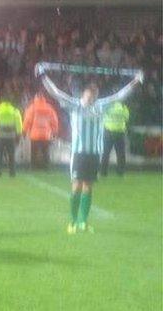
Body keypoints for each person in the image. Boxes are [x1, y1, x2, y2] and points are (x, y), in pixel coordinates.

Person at [41, 74, 142, 234]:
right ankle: (72, 221)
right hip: (79, 153)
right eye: (89, 96)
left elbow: (120, 96)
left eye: (94, 96)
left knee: (88, 186)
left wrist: (136, 81)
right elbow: (56, 92)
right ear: (83, 95)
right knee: (76, 186)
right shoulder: (75, 105)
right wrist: (43, 76)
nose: (91, 99)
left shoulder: (101, 106)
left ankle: (83, 222)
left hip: (94, 153)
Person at [23, 93, 59, 170]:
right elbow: (54, 121)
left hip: (34, 134)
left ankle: (33, 166)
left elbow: (27, 120)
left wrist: (24, 130)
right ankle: (46, 166)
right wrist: (55, 131)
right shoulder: (49, 108)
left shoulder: (32, 107)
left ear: (35, 98)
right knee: (45, 151)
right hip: (46, 134)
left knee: (34, 152)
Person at [0, 96, 23, 177]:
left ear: (1, 102)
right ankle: (12, 172)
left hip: (0, 137)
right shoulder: (15, 111)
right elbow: (19, 124)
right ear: (10, 103)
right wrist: (19, 134)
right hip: (11, 137)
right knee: (11, 155)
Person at [101, 101, 130, 176]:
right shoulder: (123, 107)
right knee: (121, 154)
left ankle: (103, 172)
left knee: (105, 153)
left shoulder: (108, 106)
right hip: (120, 132)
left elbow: (102, 115)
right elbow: (126, 118)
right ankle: (121, 172)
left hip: (108, 131)